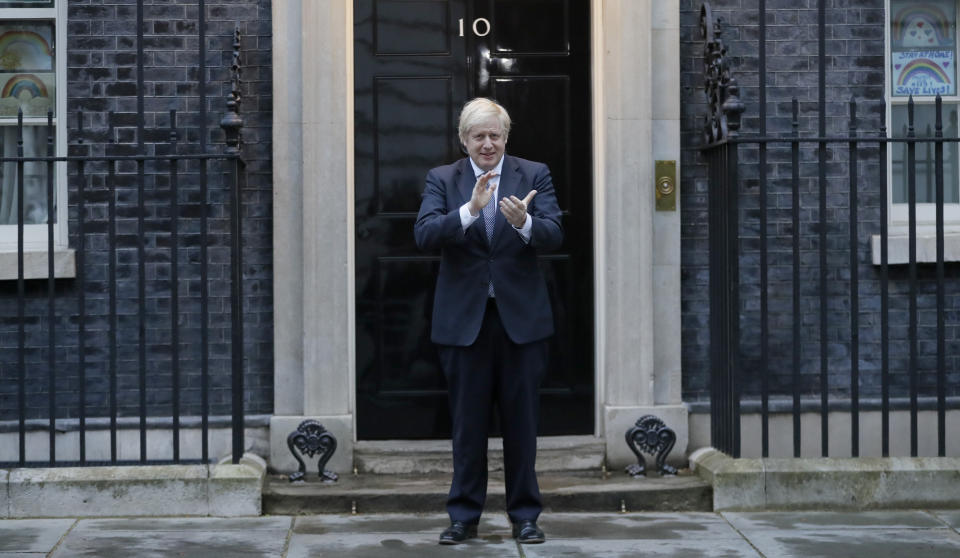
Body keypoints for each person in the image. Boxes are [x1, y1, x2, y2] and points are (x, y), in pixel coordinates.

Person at [414, 98, 563, 545]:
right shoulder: (443, 179)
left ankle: (525, 517)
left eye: (495, 135)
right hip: (464, 324)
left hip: (521, 323)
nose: (487, 144)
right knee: (467, 425)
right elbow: (423, 234)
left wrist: (525, 224)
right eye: (478, 136)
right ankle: (463, 517)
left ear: (505, 138)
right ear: (464, 141)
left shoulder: (534, 174)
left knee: (522, 425)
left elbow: (556, 233)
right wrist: (470, 211)